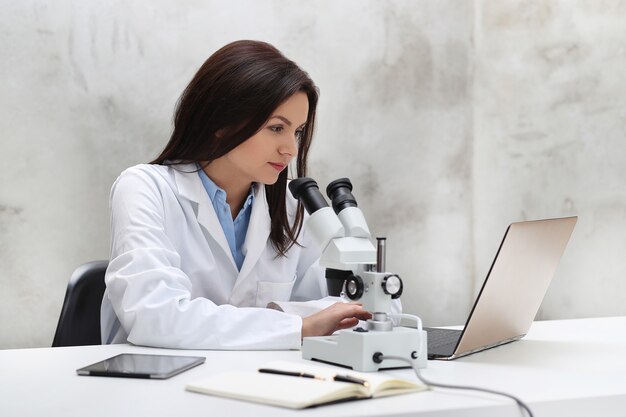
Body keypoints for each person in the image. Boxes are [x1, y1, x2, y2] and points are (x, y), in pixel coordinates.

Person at [100, 40, 373, 349]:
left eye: (297, 131)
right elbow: (157, 318)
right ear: (222, 123)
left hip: (258, 381)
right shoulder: (145, 188)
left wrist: (288, 319)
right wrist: (296, 325)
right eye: (276, 128)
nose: (291, 149)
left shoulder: (289, 204)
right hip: (156, 386)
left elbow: (349, 307)